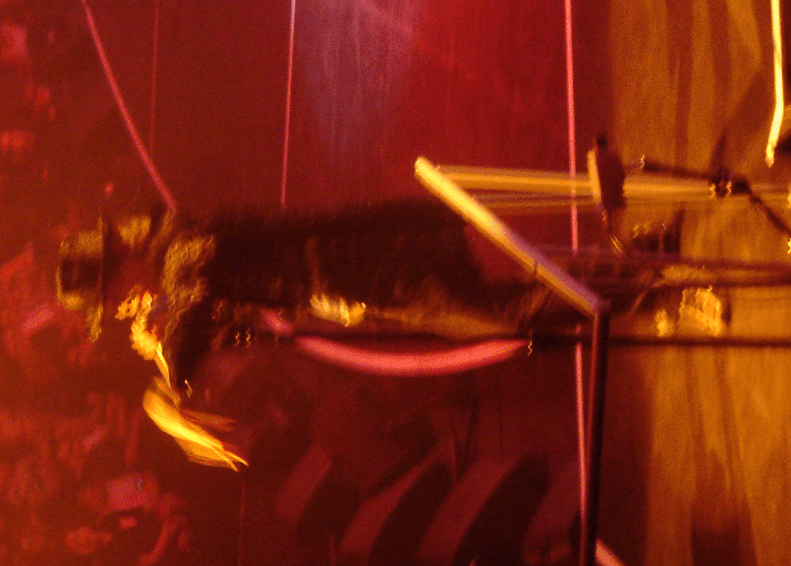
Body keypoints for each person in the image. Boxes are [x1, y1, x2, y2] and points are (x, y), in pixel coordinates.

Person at [56, 198, 557, 464]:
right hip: (360, 285)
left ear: (119, 262)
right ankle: (599, 282)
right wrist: (168, 375)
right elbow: (206, 316)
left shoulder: (176, 239)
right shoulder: (169, 263)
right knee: (500, 312)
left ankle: (602, 293)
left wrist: (170, 382)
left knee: (507, 320)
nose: (119, 310)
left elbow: (191, 295)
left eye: (109, 299)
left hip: (368, 265)